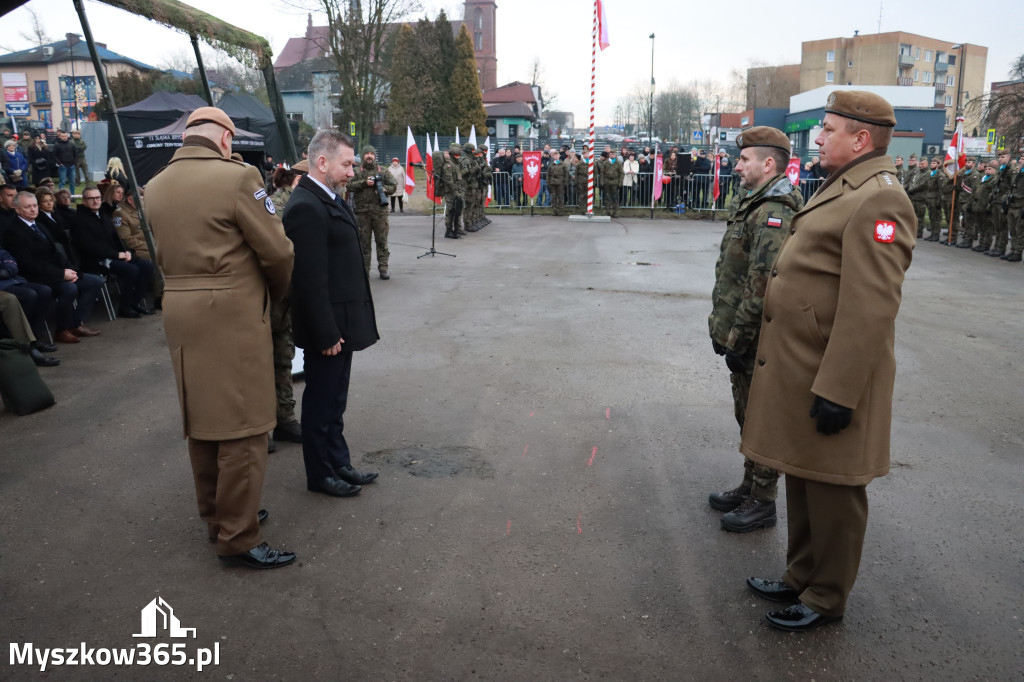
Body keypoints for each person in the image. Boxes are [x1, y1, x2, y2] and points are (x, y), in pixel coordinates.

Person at [741, 90, 915, 631]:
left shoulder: (880, 199)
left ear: (861, 139)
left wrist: (840, 389)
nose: (817, 138)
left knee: (834, 489)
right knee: (804, 473)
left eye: (828, 130)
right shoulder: (844, 184)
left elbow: (871, 306)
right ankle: (801, 575)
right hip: (806, 365)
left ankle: (826, 596)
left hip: (834, 374)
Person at [145, 107, 296, 570]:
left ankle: (219, 518)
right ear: (226, 138)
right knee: (245, 427)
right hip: (232, 311)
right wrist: (270, 297)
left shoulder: (155, 185)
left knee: (204, 423)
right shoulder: (238, 177)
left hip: (180, 310)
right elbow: (278, 252)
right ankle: (239, 535)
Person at [707, 126, 804, 533]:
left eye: (744, 159)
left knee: (762, 417)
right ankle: (750, 485)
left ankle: (763, 501)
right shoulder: (755, 202)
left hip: (756, 336)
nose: (737, 165)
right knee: (747, 413)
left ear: (767, 164)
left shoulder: (773, 211)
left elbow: (762, 284)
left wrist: (738, 338)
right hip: (741, 332)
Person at [282, 128, 379, 500]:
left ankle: (339, 462)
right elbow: (308, 280)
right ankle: (320, 472)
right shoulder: (306, 206)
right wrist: (325, 333)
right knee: (321, 402)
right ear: (322, 162)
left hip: (343, 322)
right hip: (328, 328)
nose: (352, 172)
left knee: (336, 400)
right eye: (347, 164)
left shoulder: (328, 197)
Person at [3, 191, 103, 344]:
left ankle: (75, 324)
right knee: (69, 289)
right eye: (27, 207)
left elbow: (56, 253)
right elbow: (28, 264)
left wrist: (72, 270)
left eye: (35, 206)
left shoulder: (40, 226)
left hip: (55, 271)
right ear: (17, 209)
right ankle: (62, 330)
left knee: (94, 281)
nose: (33, 209)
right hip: (36, 276)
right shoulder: (13, 231)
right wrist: (61, 274)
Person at [266, 164, 305, 450]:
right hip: (271, 293)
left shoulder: (300, 200)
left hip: (288, 294)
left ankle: (285, 420)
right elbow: (277, 249)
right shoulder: (277, 203)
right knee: (260, 361)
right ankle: (262, 427)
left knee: (283, 357)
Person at [72, 185, 154, 318]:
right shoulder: (79, 220)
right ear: (84, 201)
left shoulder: (102, 215)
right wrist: (117, 254)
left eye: (98, 197)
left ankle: (135, 302)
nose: (95, 201)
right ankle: (125, 307)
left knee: (146, 266)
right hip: (96, 261)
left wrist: (125, 252)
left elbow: (116, 238)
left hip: (113, 256)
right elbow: (89, 246)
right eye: (91, 198)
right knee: (131, 270)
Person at [0, 250, 59, 366]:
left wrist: (6, 271)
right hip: (4, 285)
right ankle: (28, 346)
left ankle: (34, 339)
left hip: (13, 279)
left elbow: (11, 263)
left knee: (44, 291)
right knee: (23, 297)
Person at [348, 145, 396, 279]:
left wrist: (384, 189)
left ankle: (384, 268)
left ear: (375, 156)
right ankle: (364, 271)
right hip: (362, 214)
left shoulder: (383, 171)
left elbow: (393, 185)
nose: (369, 156)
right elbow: (348, 185)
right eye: (367, 154)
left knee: (382, 242)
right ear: (363, 156)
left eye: (372, 154)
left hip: (380, 213)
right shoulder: (356, 172)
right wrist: (364, 183)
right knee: (364, 244)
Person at [441, 144, 466, 239]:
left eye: (459, 155)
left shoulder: (456, 164)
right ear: (451, 155)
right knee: (450, 211)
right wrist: (455, 192)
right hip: (450, 192)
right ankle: (448, 230)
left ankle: (456, 229)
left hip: (457, 190)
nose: (458, 157)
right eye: (456, 155)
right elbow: (449, 181)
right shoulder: (448, 165)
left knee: (457, 211)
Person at [52, 130, 77, 195]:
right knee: (62, 182)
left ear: (67, 136)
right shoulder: (57, 145)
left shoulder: (72, 144)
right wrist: (59, 163)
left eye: (65, 136)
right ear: (60, 136)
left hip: (71, 166)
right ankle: (61, 196)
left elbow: (75, 154)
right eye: (63, 136)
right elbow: (54, 155)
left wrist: (74, 163)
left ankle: (72, 196)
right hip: (62, 166)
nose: (64, 137)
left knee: (72, 182)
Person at [547, 149, 568, 216]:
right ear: (553, 156)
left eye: (557, 155)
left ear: (559, 156)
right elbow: (548, 174)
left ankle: (560, 211)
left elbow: (566, 173)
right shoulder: (551, 164)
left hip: (560, 182)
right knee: (553, 197)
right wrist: (548, 182)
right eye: (554, 155)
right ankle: (554, 210)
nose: (556, 156)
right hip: (552, 183)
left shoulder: (563, 164)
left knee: (560, 197)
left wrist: (565, 182)